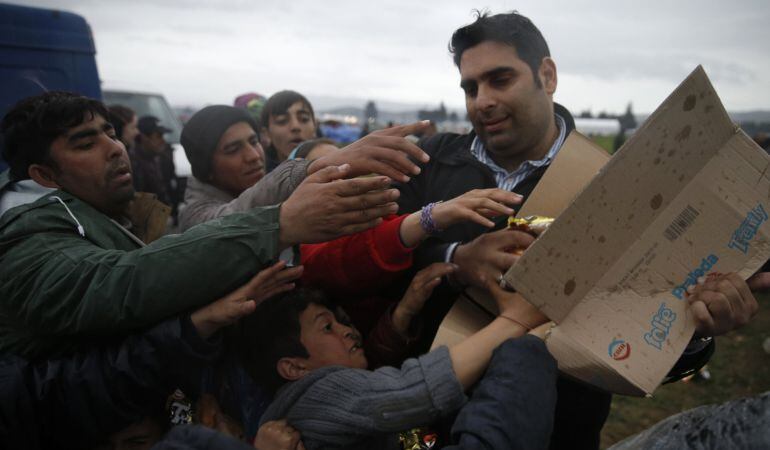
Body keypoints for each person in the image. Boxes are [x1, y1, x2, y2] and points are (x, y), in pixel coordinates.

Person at [394, 11, 760, 449]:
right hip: (429, 420)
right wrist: (456, 258)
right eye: (470, 87)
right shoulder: (428, 162)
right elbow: (377, 261)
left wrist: (699, 328)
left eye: (500, 79)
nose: (482, 100)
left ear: (546, 75)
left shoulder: (617, 186)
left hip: (556, 427)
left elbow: (647, 330)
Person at [0, 91, 422, 358]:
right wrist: (288, 210)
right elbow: (126, 284)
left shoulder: (107, 213)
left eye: (110, 133)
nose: (114, 149)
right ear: (45, 176)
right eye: (87, 143)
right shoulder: (32, 235)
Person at [240, 280, 556, 450]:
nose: (347, 330)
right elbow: (413, 390)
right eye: (327, 327)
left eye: (342, 322)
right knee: (522, 359)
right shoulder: (315, 392)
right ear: (294, 368)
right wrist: (515, 321)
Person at [260, 91, 318, 171]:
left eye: (304, 119)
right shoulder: (261, 181)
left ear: (315, 127)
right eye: (282, 120)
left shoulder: (337, 168)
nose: (295, 126)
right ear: (267, 134)